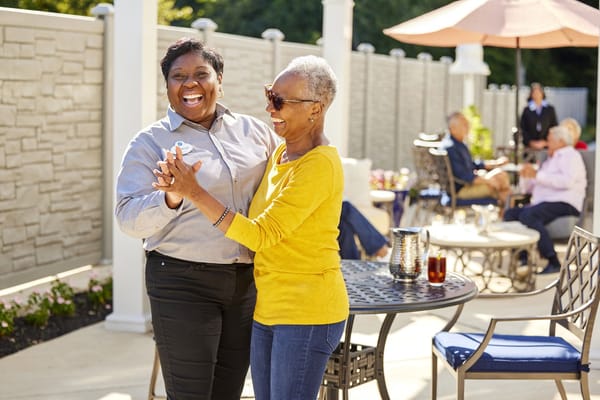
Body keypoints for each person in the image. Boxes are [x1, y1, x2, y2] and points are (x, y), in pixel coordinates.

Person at [153, 55, 349, 400]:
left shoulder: (320, 165)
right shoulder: (280, 154)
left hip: (308, 312)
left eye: (280, 101)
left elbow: (261, 234)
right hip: (267, 308)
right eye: (269, 94)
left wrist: (194, 192)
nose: (270, 107)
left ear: (315, 110)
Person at [114, 37, 279, 400]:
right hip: (181, 282)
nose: (190, 83)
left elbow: (285, 186)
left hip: (247, 283)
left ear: (220, 79)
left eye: (201, 73)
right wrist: (172, 196)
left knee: (227, 392)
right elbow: (127, 218)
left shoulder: (256, 133)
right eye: (178, 76)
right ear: (168, 88)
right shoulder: (150, 143)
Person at [504, 125, 586, 274]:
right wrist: (526, 175)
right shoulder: (549, 159)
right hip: (542, 203)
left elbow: (567, 182)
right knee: (510, 214)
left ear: (561, 141)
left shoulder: (571, 156)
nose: (547, 142)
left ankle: (553, 261)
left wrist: (537, 175)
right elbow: (527, 189)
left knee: (528, 215)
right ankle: (523, 258)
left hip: (564, 202)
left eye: (550, 139)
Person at [442, 111, 511, 207]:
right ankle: (508, 211)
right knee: (499, 184)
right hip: (460, 191)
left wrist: (494, 163)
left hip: (465, 185)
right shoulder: (451, 148)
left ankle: (507, 211)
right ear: (453, 129)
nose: (468, 127)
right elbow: (465, 176)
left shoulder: (457, 144)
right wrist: (488, 180)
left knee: (501, 176)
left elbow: (470, 164)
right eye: (464, 125)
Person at [520, 82, 558, 156]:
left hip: (546, 146)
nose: (536, 94)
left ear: (542, 93)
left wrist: (545, 142)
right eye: (534, 92)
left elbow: (554, 126)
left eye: (538, 92)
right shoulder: (527, 110)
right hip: (530, 147)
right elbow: (523, 128)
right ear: (531, 94)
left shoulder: (550, 109)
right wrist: (531, 142)